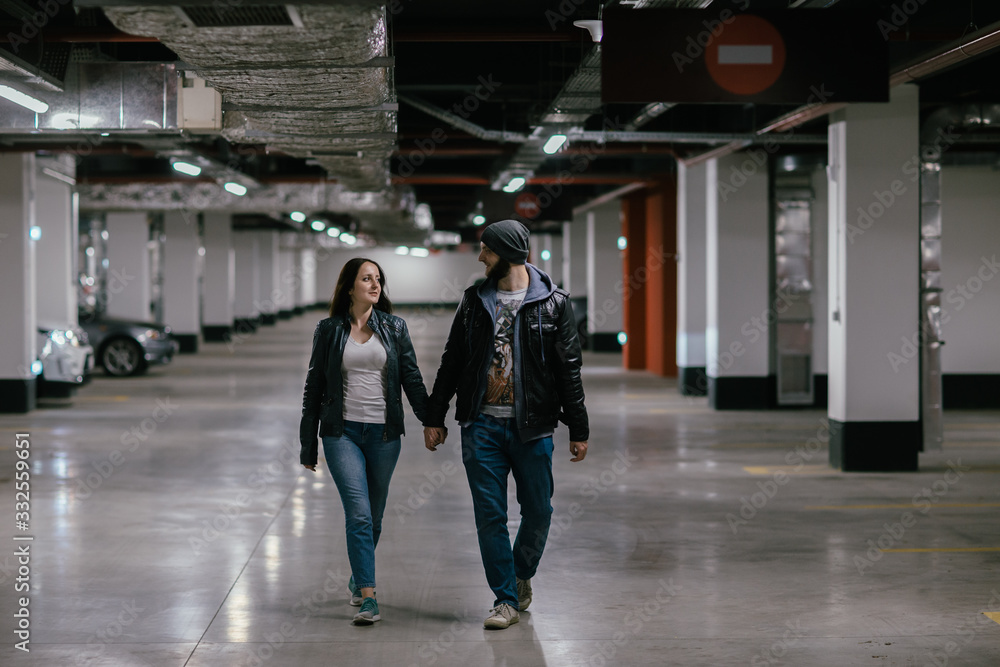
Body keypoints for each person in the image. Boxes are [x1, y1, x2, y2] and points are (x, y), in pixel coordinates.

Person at [422, 219, 590, 630]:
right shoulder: (473, 300)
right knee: (490, 515)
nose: (480, 257)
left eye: (486, 250)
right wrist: (434, 415)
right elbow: (452, 360)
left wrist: (579, 428)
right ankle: (505, 599)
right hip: (480, 426)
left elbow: (569, 369)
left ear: (509, 254)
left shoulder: (555, 303)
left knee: (539, 510)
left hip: (532, 427)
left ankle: (520, 573)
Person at [299, 257, 429, 626]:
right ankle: (369, 597)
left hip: (384, 434)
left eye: (378, 279)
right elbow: (314, 386)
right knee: (358, 513)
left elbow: (412, 378)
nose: (375, 285)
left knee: (374, 517)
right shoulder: (328, 330)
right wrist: (308, 443)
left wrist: (430, 420)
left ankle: (358, 575)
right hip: (342, 433)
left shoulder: (395, 327)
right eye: (366, 278)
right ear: (349, 286)